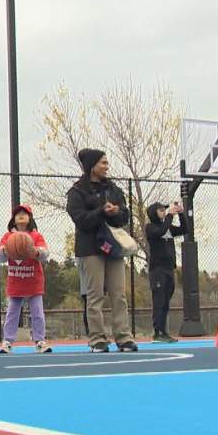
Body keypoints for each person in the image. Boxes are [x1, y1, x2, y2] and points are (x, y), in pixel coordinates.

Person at [67, 148, 137, 353]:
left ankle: (123, 337)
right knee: (94, 295)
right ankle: (97, 339)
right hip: (90, 248)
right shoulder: (77, 192)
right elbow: (80, 219)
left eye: (107, 163)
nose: (107, 166)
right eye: (103, 163)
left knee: (119, 294)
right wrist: (100, 211)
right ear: (92, 166)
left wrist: (117, 212)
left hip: (113, 248)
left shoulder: (113, 189)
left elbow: (125, 216)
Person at [0, 204, 52, 354]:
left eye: (24, 213)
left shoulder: (36, 236)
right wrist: (5, 250)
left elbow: (46, 254)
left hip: (34, 281)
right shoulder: (8, 237)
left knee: (37, 313)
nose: (21, 215)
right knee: (12, 313)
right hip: (16, 282)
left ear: (30, 218)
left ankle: (40, 340)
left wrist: (36, 251)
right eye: (18, 213)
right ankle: (7, 341)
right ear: (13, 219)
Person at [144, 200, 186, 342]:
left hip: (169, 269)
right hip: (158, 270)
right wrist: (169, 216)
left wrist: (180, 214)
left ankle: (164, 331)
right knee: (159, 300)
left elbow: (184, 229)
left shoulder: (167, 227)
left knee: (166, 301)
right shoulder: (151, 228)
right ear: (154, 213)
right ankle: (157, 332)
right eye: (160, 210)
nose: (164, 212)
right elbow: (160, 231)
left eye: (164, 210)